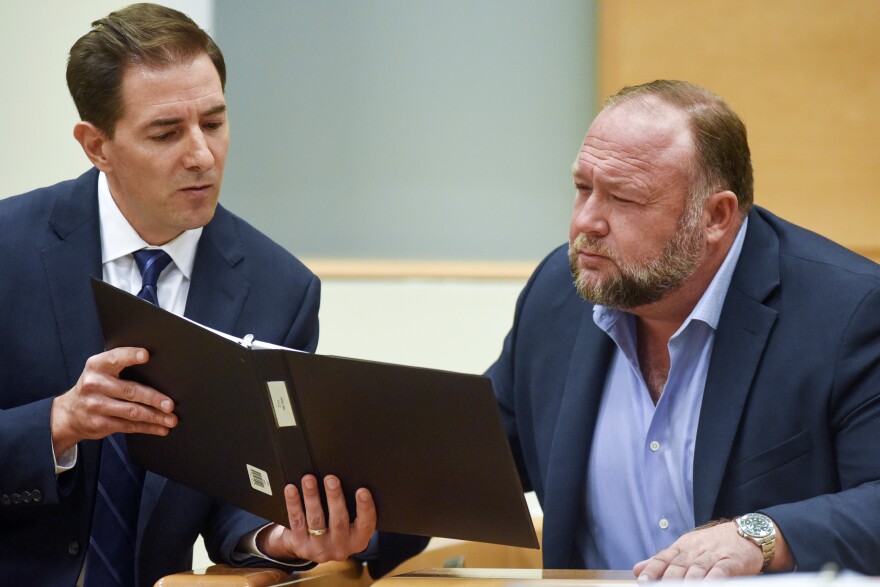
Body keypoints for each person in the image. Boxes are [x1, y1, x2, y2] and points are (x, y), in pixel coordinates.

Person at [0, 4, 425, 585]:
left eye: (214, 122)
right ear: (96, 145)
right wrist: (55, 425)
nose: (201, 154)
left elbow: (245, 489)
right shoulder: (8, 248)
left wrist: (279, 536)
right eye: (166, 132)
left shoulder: (282, 290)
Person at [487, 79, 880, 577]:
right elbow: (474, 465)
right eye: (583, 188)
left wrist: (759, 535)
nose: (587, 221)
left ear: (715, 216)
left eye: (623, 199)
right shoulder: (558, 295)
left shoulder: (848, 312)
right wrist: (368, 521)